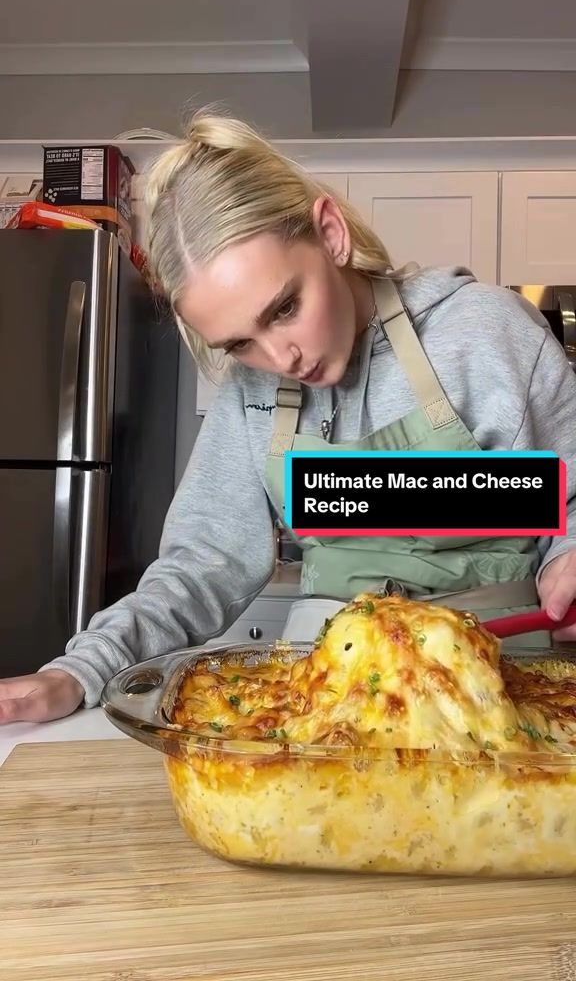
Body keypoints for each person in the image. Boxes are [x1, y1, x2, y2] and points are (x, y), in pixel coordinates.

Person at [2, 107, 576, 726]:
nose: (280, 358)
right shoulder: (253, 396)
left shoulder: (485, 336)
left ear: (330, 233)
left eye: (284, 308)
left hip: (499, 681)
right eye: (239, 343)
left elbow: (567, 499)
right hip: (327, 694)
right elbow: (202, 565)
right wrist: (80, 668)